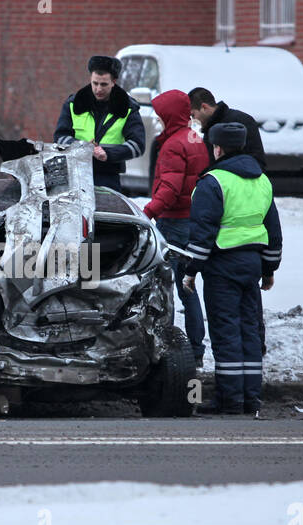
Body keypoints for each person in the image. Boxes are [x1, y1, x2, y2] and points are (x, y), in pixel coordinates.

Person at [182, 122, 283, 416]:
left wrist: (191, 270)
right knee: (249, 330)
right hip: (251, 266)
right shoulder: (262, 180)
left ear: (218, 148)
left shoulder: (213, 182)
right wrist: (269, 269)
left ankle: (230, 401)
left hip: (222, 265)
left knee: (226, 331)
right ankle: (251, 399)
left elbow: (202, 232)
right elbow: (273, 230)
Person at [141, 89, 209, 364]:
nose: (157, 121)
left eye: (160, 116)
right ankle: (196, 349)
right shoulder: (195, 139)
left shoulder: (172, 145)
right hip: (193, 219)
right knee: (189, 286)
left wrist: (147, 212)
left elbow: (169, 189)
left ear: (169, 116)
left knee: (165, 286)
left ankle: (170, 348)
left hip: (173, 223)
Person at [54, 56, 146, 192]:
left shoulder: (128, 108)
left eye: (103, 84)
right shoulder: (74, 104)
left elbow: (138, 145)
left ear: (114, 82)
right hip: (75, 174)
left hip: (108, 176)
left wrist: (107, 153)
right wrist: (83, 147)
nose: (98, 89)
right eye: (95, 83)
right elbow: (60, 137)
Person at [187, 87, 267, 172]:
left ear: (204, 107)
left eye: (193, 115)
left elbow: (257, 162)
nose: (194, 120)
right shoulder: (209, 129)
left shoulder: (242, 121)